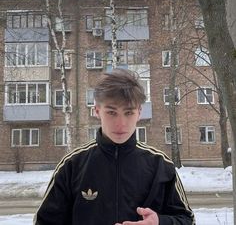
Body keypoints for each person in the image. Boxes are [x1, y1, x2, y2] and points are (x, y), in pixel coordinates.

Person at [34, 68, 195, 225]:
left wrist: (159, 222)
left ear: (139, 112)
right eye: (111, 112)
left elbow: (188, 220)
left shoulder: (160, 165)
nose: (120, 124)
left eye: (129, 112)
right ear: (97, 111)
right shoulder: (72, 165)